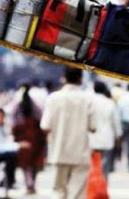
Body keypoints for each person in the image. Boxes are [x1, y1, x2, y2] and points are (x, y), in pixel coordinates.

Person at [40, 67, 96, 199]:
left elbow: (45, 126)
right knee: (78, 194)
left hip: (59, 152)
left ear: (63, 77)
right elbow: (93, 127)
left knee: (59, 191)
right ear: (81, 79)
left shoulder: (53, 98)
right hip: (80, 153)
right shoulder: (87, 99)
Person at [11, 84, 46, 194]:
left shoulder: (17, 105)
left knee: (26, 165)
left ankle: (29, 185)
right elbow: (41, 119)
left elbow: (13, 122)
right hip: (36, 137)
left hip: (23, 137)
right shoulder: (36, 103)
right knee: (34, 163)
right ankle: (32, 184)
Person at [89, 81, 122, 181]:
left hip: (91, 140)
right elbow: (116, 122)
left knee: (92, 166)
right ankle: (102, 189)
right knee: (105, 167)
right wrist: (118, 136)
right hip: (106, 140)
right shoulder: (110, 103)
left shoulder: (90, 103)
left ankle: (91, 189)